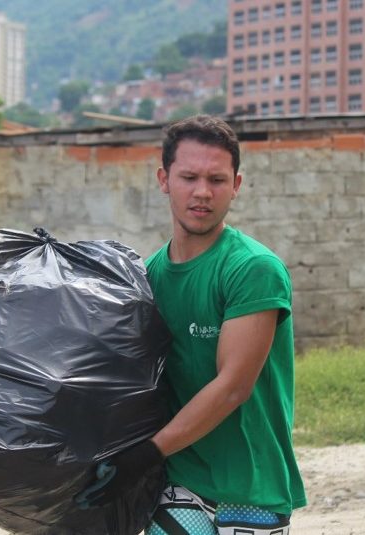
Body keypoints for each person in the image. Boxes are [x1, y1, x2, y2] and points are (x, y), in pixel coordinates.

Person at [75, 115, 306, 533]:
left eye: (217, 180)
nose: (203, 192)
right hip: (180, 479)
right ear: (164, 180)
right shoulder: (148, 277)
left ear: (236, 185)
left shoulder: (252, 269)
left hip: (251, 486)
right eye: (189, 177)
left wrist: (146, 454)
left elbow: (233, 386)